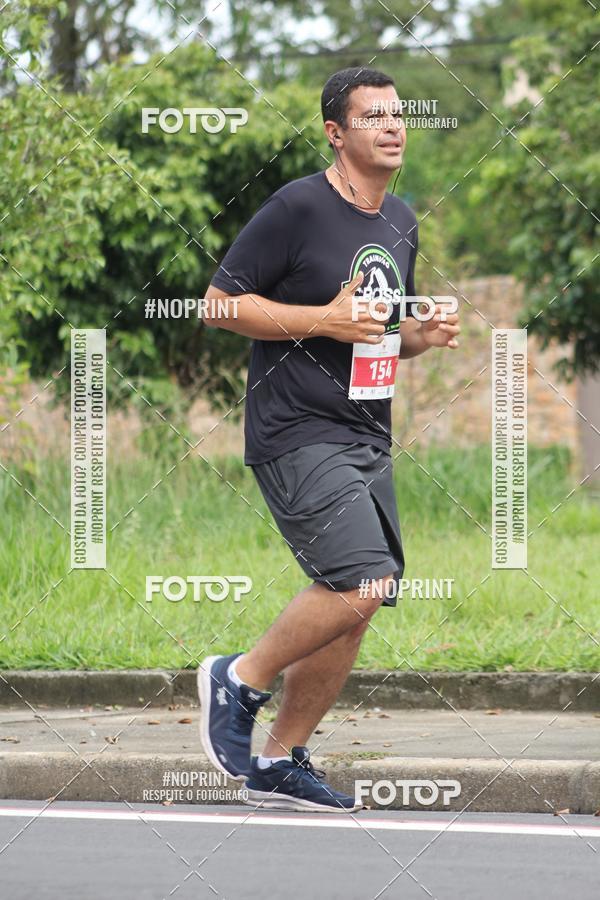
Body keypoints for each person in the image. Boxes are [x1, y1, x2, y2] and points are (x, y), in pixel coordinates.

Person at [197, 66, 460, 812]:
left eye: (399, 114)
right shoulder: (297, 208)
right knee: (357, 577)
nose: (393, 125)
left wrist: (418, 336)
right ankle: (240, 677)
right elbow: (219, 307)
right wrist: (320, 321)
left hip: (365, 435)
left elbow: (372, 332)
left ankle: (281, 758)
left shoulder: (400, 220)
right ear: (335, 132)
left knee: (365, 590)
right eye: (373, 115)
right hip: (296, 429)